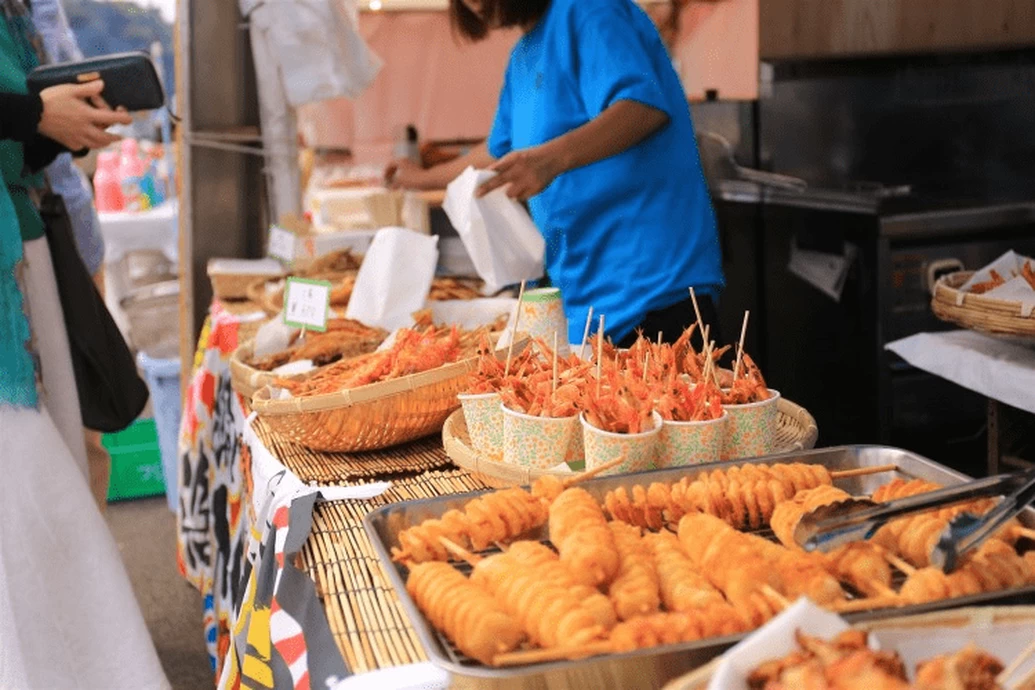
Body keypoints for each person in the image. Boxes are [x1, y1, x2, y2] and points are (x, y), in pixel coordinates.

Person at [387, 0, 724, 347]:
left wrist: (550, 160)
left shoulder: (588, 10)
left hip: (651, 286)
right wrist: (418, 178)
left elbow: (642, 108)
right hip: (584, 295)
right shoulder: (523, 55)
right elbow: (496, 151)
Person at [1, 1, 170, 686]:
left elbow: (15, 142)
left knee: (48, 493)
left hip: (24, 248)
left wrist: (54, 130)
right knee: (30, 496)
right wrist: (35, 116)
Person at [31, 0, 113, 510]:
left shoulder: (45, 6)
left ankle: (87, 570)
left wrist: (78, 121)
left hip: (67, 228)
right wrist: (39, 115)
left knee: (84, 423)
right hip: (31, 228)